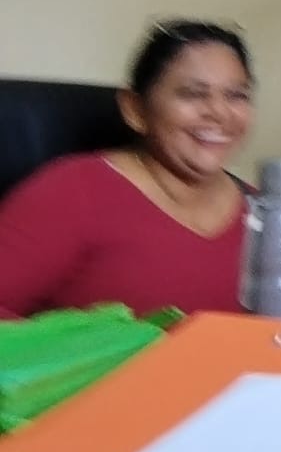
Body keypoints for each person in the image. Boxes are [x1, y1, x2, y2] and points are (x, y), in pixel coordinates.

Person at [0, 20, 266, 318]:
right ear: (135, 110)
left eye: (236, 96)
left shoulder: (262, 209)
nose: (219, 112)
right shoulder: (71, 193)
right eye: (192, 94)